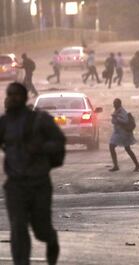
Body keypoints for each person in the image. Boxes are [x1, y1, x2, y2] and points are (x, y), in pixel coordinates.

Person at [0, 82, 65, 265]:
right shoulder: (4, 122)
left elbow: (59, 141)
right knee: (18, 228)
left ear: (25, 97)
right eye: (10, 94)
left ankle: (51, 241)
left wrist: (41, 147)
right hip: (15, 185)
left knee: (42, 230)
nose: (13, 98)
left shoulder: (40, 120)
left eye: (17, 94)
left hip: (39, 184)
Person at [109, 98, 139, 172]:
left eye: (115, 103)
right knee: (127, 149)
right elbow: (113, 121)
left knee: (112, 146)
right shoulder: (117, 111)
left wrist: (116, 118)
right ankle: (137, 164)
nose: (114, 105)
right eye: (113, 103)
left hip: (122, 133)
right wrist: (115, 118)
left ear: (119, 104)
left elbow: (125, 121)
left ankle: (116, 165)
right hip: (119, 132)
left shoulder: (122, 111)